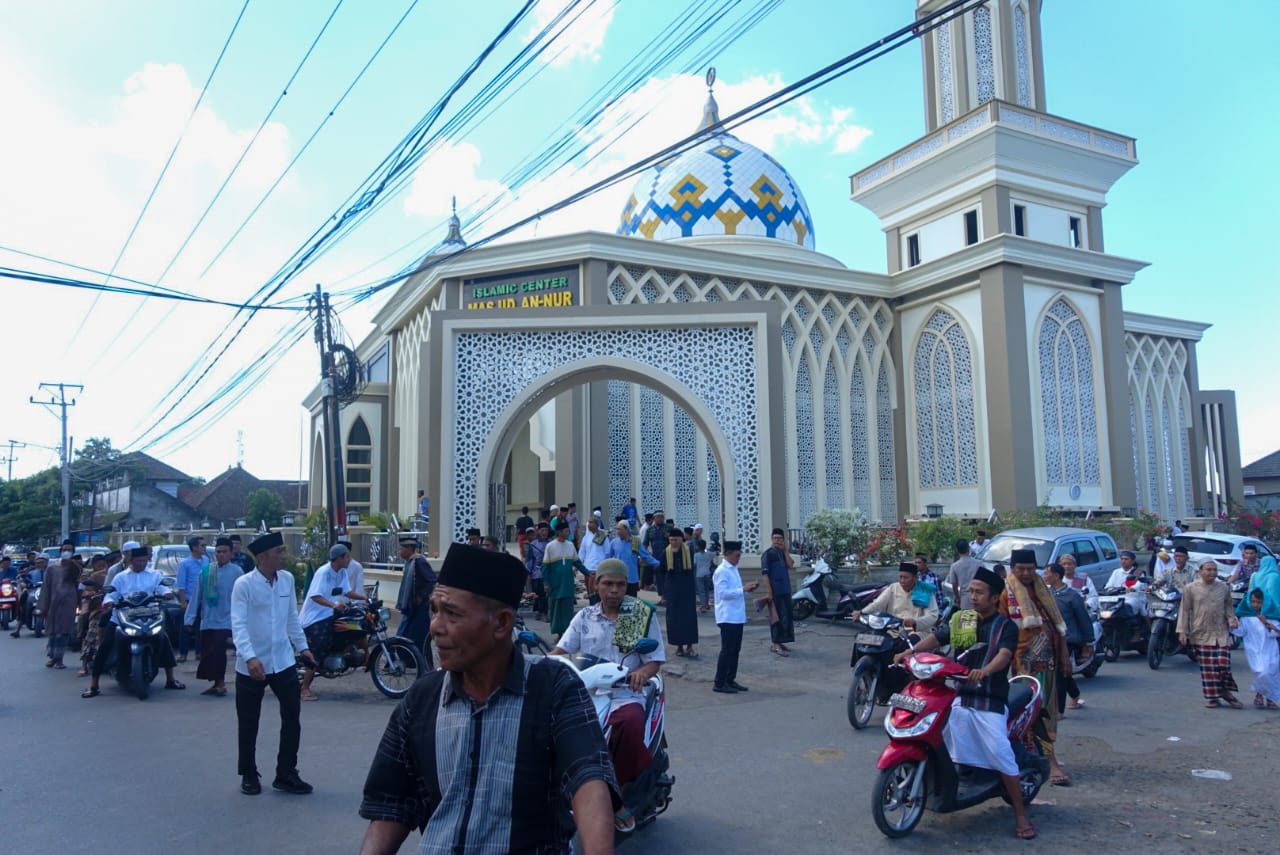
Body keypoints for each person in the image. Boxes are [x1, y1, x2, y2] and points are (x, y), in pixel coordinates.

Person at [360, 544, 618, 854]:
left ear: (502, 623)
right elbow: (392, 806)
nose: (435, 627)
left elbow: (587, 776)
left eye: (452, 614)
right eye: (435, 610)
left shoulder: (554, 688)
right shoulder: (421, 698)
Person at [893, 568, 1036, 840]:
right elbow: (937, 638)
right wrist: (910, 652)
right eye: (970, 591)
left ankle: (1020, 813)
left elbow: (1005, 655)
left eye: (979, 592)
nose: (972, 597)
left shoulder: (1005, 626)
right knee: (939, 739)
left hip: (989, 700)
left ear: (995, 597)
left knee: (1000, 754)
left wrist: (986, 670)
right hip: (959, 696)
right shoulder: (963, 619)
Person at [550, 556, 661, 833]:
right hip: (586, 692)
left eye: (620, 585)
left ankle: (614, 798)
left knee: (630, 725)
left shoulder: (637, 614)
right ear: (595, 584)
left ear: (627, 587)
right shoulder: (584, 617)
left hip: (625, 692)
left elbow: (654, 659)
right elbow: (561, 651)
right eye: (608, 584)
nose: (614, 591)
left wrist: (641, 674)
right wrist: (537, 664)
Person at [230, 531, 317, 796]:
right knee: (249, 722)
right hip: (252, 665)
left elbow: (292, 617)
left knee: (292, 718)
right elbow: (239, 624)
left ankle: (286, 773)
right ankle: (248, 772)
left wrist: (303, 648)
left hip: (282, 662)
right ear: (264, 556)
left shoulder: (287, 580)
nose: (283, 555)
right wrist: (250, 657)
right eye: (279, 551)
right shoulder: (244, 585)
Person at [1000, 549, 1071, 787]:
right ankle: (1048, 761)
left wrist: (1064, 656)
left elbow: (1057, 626)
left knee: (1048, 712)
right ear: (1012, 569)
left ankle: (1043, 757)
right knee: (1030, 712)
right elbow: (1001, 631)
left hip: (1048, 662)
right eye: (1021, 569)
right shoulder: (1006, 594)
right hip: (1023, 664)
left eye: (1031, 568)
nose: (1026, 573)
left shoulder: (1043, 591)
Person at [81, 546, 184, 697]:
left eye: (144, 560)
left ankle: (170, 679)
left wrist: (167, 594)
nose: (141, 563)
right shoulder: (121, 577)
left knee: (164, 639)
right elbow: (112, 593)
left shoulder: (154, 575)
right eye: (138, 560)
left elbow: (162, 588)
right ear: (131, 560)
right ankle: (94, 684)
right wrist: (109, 601)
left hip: (149, 615)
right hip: (123, 616)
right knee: (106, 644)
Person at [299, 544, 364, 701]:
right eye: (347, 556)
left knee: (353, 624)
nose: (350, 559)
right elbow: (315, 596)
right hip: (315, 618)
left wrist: (365, 598)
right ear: (339, 558)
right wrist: (334, 605)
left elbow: (347, 592)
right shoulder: (324, 572)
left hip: (330, 614)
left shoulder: (341, 572)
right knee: (317, 650)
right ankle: (305, 688)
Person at [1178, 559, 1242, 709]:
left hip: (1220, 632)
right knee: (1208, 669)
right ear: (1200, 571)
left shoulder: (1223, 588)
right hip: (1200, 632)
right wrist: (1182, 631)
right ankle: (1213, 698)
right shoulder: (1190, 588)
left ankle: (1226, 692)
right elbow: (1185, 611)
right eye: (1208, 569)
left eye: (1214, 570)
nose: (1212, 573)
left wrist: (1232, 619)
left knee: (1223, 664)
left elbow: (1228, 608)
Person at [185, 537, 242, 696]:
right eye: (218, 552)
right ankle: (217, 683)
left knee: (218, 652)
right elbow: (197, 595)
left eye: (224, 552)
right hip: (208, 619)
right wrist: (189, 618)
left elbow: (244, 596)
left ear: (231, 553)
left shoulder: (237, 572)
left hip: (228, 620)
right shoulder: (207, 571)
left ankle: (221, 683)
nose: (221, 555)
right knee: (208, 653)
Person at [1044, 563, 1092, 711]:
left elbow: (1083, 618)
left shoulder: (1072, 596)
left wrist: (1088, 641)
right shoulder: (1047, 594)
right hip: (1050, 637)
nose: (1044, 576)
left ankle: (1059, 710)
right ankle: (1075, 694)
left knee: (1060, 672)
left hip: (1068, 638)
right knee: (1060, 671)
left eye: (1047, 573)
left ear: (1057, 576)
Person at [711, 541, 757, 694]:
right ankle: (719, 682)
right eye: (737, 555)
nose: (739, 558)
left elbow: (736, 591)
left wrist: (747, 590)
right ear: (728, 554)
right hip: (727, 616)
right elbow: (723, 594)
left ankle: (730, 679)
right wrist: (742, 589)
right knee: (727, 650)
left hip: (736, 615)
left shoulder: (733, 569)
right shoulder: (721, 571)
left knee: (735, 650)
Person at [1233, 588, 1280, 708]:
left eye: (1259, 602)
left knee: (1271, 673)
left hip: (1270, 649)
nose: (1255, 605)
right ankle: (1266, 695)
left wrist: (1266, 623)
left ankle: (1265, 697)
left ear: (1264, 603)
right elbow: (1241, 632)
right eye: (1253, 601)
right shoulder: (1246, 617)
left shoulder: (1272, 616)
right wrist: (1233, 625)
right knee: (1262, 672)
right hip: (1253, 649)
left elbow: (1276, 633)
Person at [657, 529, 698, 658]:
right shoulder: (666, 553)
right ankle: (679, 647)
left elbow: (692, 569)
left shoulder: (688, 551)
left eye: (676, 540)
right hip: (672, 591)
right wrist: (663, 592)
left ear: (681, 539)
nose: (673, 542)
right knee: (674, 618)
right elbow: (661, 572)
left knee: (689, 617)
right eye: (671, 540)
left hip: (687, 590)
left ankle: (690, 646)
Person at [394, 535, 435, 663]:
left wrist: (420, 596)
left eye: (401, 549)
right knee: (404, 633)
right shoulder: (410, 562)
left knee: (417, 636)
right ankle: (405, 662)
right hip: (410, 606)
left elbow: (432, 580)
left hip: (419, 607)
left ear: (409, 548)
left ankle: (422, 664)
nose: (399, 552)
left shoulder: (419, 561)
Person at [37, 557, 80, 669]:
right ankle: (52, 657)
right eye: (65, 549)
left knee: (63, 632)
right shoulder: (52, 569)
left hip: (69, 603)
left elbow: (79, 584)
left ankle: (59, 659)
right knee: (53, 632)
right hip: (53, 603)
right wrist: (43, 606)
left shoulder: (75, 568)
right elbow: (45, 587)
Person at [760, 528, 795, 656]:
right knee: (776, 618)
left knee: (785, 618)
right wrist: (770, 592)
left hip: (785, 590)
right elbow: (765, 574)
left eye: (779, 539)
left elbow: (791, 565)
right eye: (775, 538)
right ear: (771, 539)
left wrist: (785, 550)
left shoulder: (782, 553)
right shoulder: (768, 554)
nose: (777, 541)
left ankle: (779, 642)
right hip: (775, 592)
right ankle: (775, 644)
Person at [542, 523, 581, 637]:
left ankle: (568, 635)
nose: (568, 533)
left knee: (568, 610)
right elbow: (545, 567)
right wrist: (546, 583)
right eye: (565, 531)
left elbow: (577, 563)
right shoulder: (550, 546)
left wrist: (589, 573)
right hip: (555, 585)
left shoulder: (570, 545)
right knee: (556, 610)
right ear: (559, 532)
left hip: (568, 584)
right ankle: (559, 634)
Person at [604, 520, 658, 599]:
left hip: (632, 578)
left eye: (620, 529)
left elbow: (645, 556)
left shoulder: (635, 541)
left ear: (626, 529)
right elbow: (607, 557)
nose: (617, 531)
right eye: (617, 529)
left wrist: (657, 564)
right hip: (618, 577)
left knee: (631, 602)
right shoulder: (614, 542)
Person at [175, 536, 206, 663]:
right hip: (189, 599)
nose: (204, 548)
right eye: (202, 545)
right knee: (186, 627)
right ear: (194, 547)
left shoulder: (206, 561)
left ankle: (199, 652)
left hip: (203, 600)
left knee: (201, 627)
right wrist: (183, 602)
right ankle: (183, 653)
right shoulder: (185, 564)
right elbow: (181, 584)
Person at [578, 515, 609, 598]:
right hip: (588, 568)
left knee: (599, 591)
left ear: (596, 524)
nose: (589, 524)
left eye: (591, 522)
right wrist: (578, 565)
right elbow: (582, 552)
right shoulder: (586, 537)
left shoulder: (603, 535)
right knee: (590, 592)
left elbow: (607, 552)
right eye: (588, 522)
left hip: (599, 568)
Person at [946, 540, 983, 610]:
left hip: (965, 599)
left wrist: (957, 597)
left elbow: (954, 585)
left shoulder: (954, 566)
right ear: (968, 548)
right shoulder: (979, 563)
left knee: (966, 619)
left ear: (957, 550)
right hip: (979, 597)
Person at [526, 522, 550, 621]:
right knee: (538, 592)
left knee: (545, 593)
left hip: (548, 572)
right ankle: (539, 611)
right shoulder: (533, 544)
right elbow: (530, 560)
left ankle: (544, 612)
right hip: (536, 572)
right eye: (542, 530)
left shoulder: (551, 543)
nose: (544, 532)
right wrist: (528, 573)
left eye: (546, 530)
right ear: (538, 531)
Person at [1247, 556, 1280, 620]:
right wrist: (1277, 606)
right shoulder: (1274, 576)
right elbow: (1273, 591)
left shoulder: (1256, 575)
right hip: (1271, 606)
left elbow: (1251, 589)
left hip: (1257, 602)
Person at [338, 538, 365, 602]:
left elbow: (359, 588)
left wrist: (357, 604)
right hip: (334, 604)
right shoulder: (334, 566)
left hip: (350, 603)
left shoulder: (357, 566)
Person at [693, 537, 714, 613]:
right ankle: (707, 604)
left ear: (698, 547)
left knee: (701, 591)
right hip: (707, 573)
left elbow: (694, 564)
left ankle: (703, 606)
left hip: (699, 574)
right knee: (706, 590)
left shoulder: (696, 555)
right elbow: (715, 553)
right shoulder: (709, 554)